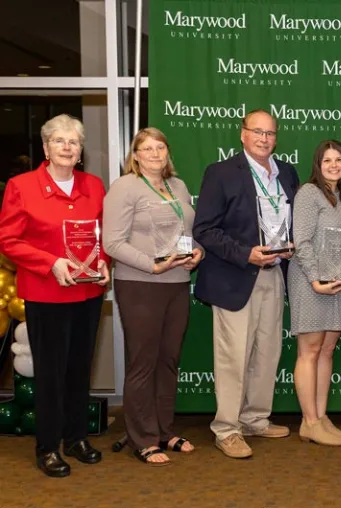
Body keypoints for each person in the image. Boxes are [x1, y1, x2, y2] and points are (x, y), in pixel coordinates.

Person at [0, 114, 110, 477]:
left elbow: (101, 235)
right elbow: (8, 240)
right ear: (46, 148)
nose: (67, 147)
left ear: (81, 151)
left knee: (80, 369)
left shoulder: (94, 185)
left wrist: (104, 262)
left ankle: (76, 437)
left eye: (74, 142)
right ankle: (48, 447)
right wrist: (50, 263)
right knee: (50, 373)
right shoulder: (22, 186)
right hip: (46, 293)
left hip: (88, 292)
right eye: (59, 141)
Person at [193, 109, 299, 459]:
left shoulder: (287, 173)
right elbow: (204, 230)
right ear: (242, 134)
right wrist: (245, 254)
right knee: (233, 358)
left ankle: (255, 418)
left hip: (275, 274)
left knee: (267, 354)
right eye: (257, 131)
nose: (264, 139)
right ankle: (227, 428)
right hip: (235, 277)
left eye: (270, 133)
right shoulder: (221, 173)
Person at [103, 127, 204, 465]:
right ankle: (142, 438)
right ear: (135, 155)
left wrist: (197, 253)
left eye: (160, 147)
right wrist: (153, 265)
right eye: (147, 148)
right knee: (143, 363)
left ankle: (164, 430)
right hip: (140, 284)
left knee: (168, 360)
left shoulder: (178, 186)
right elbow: (112, 243)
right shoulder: (124, 187)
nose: (155, 154)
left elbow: (185, 232)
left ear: (167, 152)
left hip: (177, 283)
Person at [287, 140, 341, 447]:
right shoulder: (308, 194)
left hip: (339, 284)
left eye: (339, 159)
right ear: (318, 164)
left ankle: (321, 415)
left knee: (327, 350)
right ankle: (309, 421)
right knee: (310, 351)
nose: (333, 165)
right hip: (310, 282)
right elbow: (300, 242)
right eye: (327, 160)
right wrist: (316, 279)